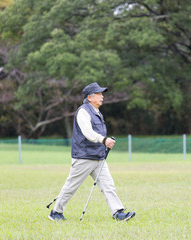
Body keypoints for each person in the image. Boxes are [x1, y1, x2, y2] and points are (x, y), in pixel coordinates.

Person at [48, 82, 135, 222]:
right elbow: (88, 132)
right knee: (71, 186)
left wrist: (104, 142)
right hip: (84, 157)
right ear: (90, 97)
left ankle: (118, 213)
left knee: (108, 185)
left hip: (98, 157)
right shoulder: (83, 112)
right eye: (99, 94)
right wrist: (103, 140)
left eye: (102, 94)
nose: (102, 97)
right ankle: (56, 212)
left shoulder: (97, 113)